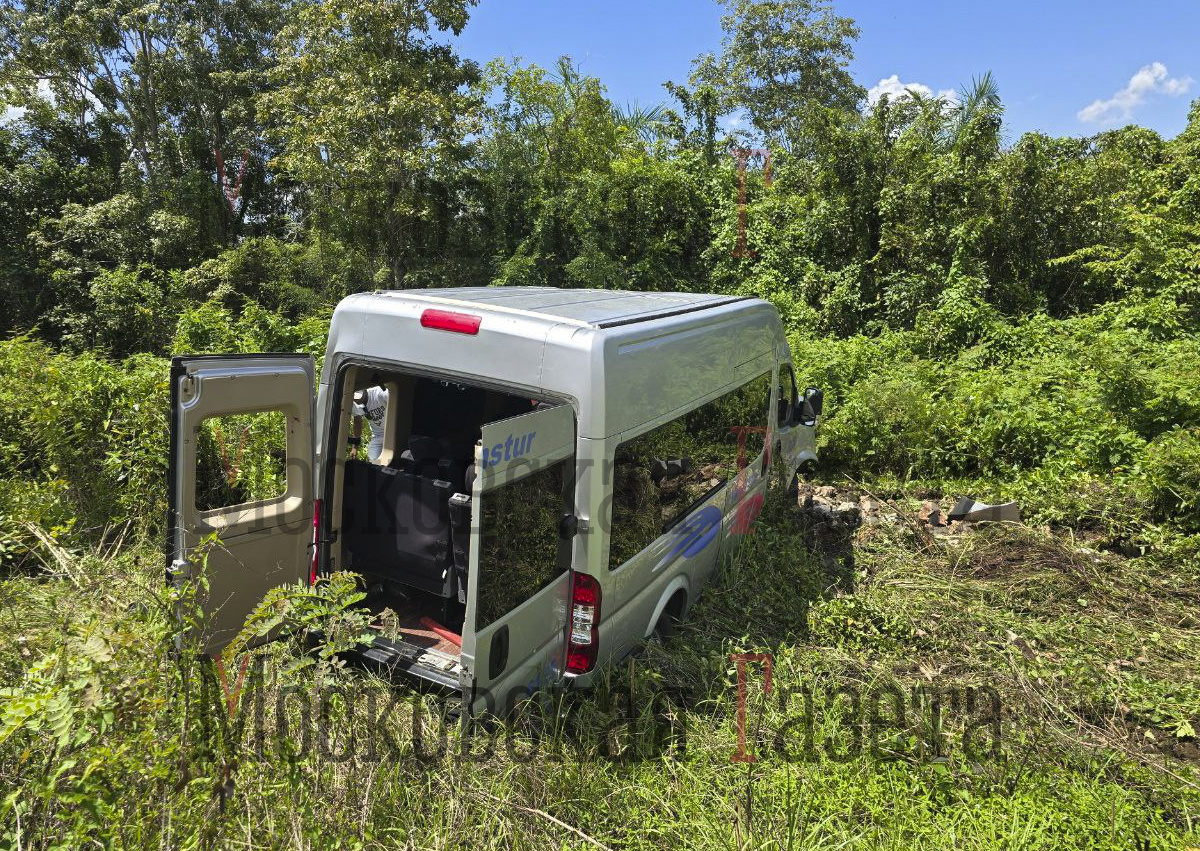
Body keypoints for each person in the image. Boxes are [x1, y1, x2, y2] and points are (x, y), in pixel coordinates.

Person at [352, 386, 389, 463]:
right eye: (355, 399)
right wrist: (354, 447)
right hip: (379, 434)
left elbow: (398, 404)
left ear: (365, 390)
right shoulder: (354, 404)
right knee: (373, 460)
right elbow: (357, 423)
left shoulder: (380, 393)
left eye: (360, 398)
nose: (358, 401)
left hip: (394, 429)